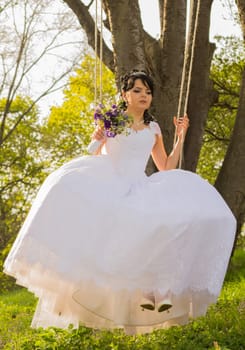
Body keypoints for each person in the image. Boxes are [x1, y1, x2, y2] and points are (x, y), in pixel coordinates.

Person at [4, 70, 236, 335]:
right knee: (73, 195)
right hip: (111, 180)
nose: (143, 96)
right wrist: (99, 134)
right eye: (137, 90)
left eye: (148, 92)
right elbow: (93, 152)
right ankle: (78, 287)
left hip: (139, 184)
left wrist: (181, 136)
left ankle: (154, 293)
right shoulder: (113, 120)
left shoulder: (154, 128)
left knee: (159, 226)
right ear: (125, 94)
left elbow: (166, 166)